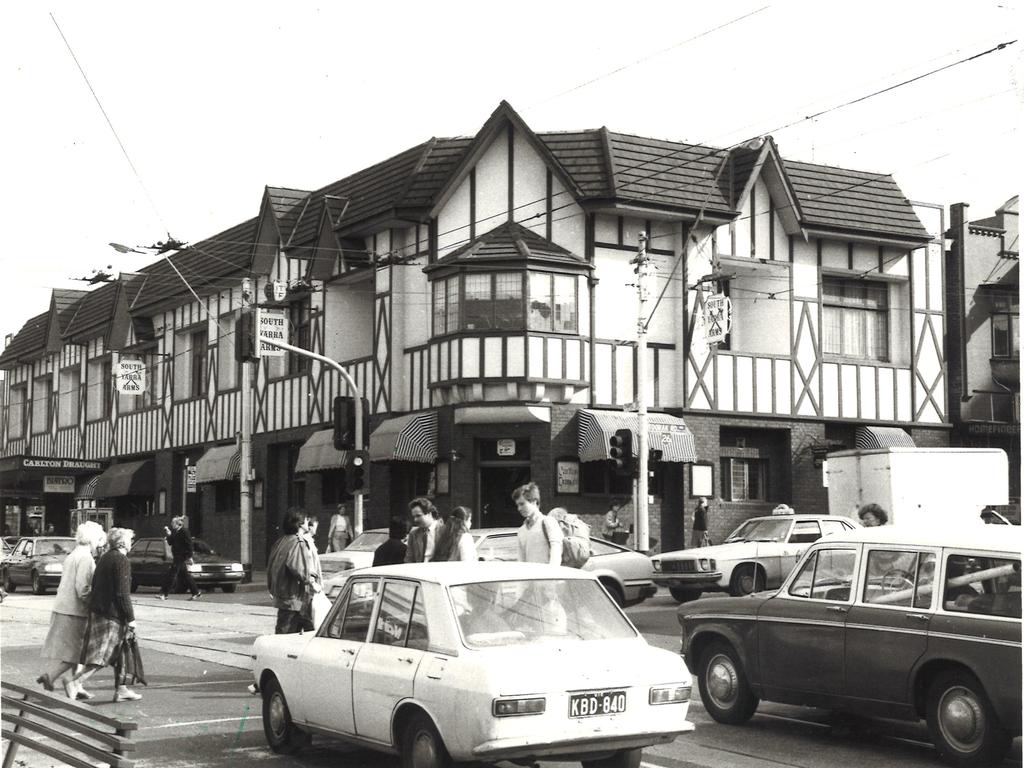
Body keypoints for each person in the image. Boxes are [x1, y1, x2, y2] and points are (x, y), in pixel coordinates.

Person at [37, 521, 106, 700]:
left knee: (76, 650)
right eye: (99, 538)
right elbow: (83, 589)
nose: (101, 542)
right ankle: (52, 676)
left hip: (64, 607)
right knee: (77, 652)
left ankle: (77, 686)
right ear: (92, 539)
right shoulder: (86, 558)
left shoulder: (73, 554)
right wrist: (95, 604)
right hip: (75, 611)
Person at [71, 527, 141, 702]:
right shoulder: (121, 560)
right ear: (123, 542)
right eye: (130, 540)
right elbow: (122, 593)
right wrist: (131, 618)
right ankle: (75, 682)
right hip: (111, 615)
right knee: (103, 655)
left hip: (99, 611)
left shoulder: (105, 558)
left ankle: (122, 689)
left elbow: (96, 584)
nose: (131, 543)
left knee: (120, 652)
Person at [267, 509, 321, 634]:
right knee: (288, 635)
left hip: (283, 596)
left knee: (297, 630)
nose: (309, 522)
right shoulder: (297, 542)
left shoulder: (280, 541)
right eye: (306, 519)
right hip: (294, 597)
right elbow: (298, 569)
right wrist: (311, 579)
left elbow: (270, 567)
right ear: (300, 523)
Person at [514, 482, 562, 565]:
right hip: (531, 577)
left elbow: (556, 551)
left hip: (548, 576)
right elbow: (521, 560)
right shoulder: (521, 530)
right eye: (517, 505)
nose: (519, 508)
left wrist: (552, 574)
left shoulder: (548, 522)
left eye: (522, 504)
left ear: (534, 502)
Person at [157, 516, 201, 601]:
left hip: (180, 556)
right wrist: (168, 533)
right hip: (177, 556)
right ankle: (196, 592)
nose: (171, 524)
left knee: (171, 574)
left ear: (178, 524)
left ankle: (164, 594)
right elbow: (170, 542)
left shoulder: (184, 531)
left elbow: (189, 545)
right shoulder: (176, 532)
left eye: (173, 523)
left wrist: (189, 556)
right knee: (185, 575)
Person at [405, 497, 442, 563]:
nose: (415, 520)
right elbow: (409, 559)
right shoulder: (413, 534)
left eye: (418, 516)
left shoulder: (444, 531)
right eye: (414, 516)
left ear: (429, 514)